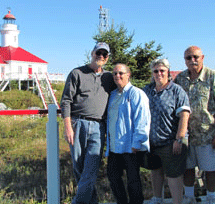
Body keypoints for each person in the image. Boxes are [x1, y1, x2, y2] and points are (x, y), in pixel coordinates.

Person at [60, 42, 116, 204]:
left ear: (107, 58)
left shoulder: (109, 77)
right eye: (98, 52)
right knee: (79, 168)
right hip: (78, 124)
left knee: (90, 170)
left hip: (99, 127)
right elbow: (66, 101)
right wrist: (68, 127)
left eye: (104, 54)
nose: (101, 56)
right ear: (92, 53)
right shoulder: (77, 73)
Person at [174, 46, 215, 204]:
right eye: (188, 58)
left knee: (211, 169)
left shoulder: (213, 77)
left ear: (202, 57)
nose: (192, 60)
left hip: (209, 135)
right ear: (184, 60)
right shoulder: (180, 79)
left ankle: (211, 197)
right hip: (187, 134)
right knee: (188, 168)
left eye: (195, 57)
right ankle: (189, 197)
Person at [143, 59, 191, 204]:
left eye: (162, 70)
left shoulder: (176, 91)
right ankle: (158, 199)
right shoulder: (147, 90)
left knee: (173, 176)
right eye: (156, 71)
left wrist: (179, 139)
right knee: (156, 171)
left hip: (171, 142)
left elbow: (184, 116)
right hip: (152, 142)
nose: (159, 74)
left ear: (168, 72)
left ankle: (177, 202)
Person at [105, 63, 151, 204]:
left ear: (128, 74)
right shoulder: (112, 95)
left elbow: (142, 120)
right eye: (115, 74)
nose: (117, 76)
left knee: (133, 181)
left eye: (121, 73)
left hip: (131, 147)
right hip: (114, 147)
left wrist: (138, 143)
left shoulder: (136, 94)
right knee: (113, 178)